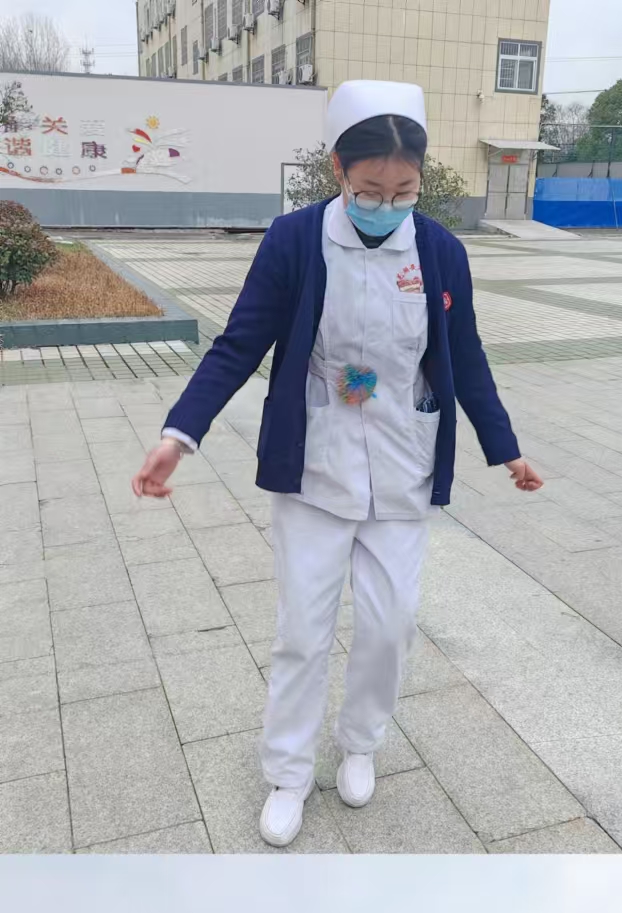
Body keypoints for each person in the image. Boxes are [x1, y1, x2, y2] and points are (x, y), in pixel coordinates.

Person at [130, 81, 543, 848]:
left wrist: (505, 446)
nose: (386, 205)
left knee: (390, 625)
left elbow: (465, 355)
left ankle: (360, 744)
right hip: (315, 460)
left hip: (402, 460)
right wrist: (178, 435)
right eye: (369, 191)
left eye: (403, 192)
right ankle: (288, 773)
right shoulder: (294, 241)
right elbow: (238, 344)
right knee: (303, 630)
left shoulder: (440, 251)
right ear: (338, 172)